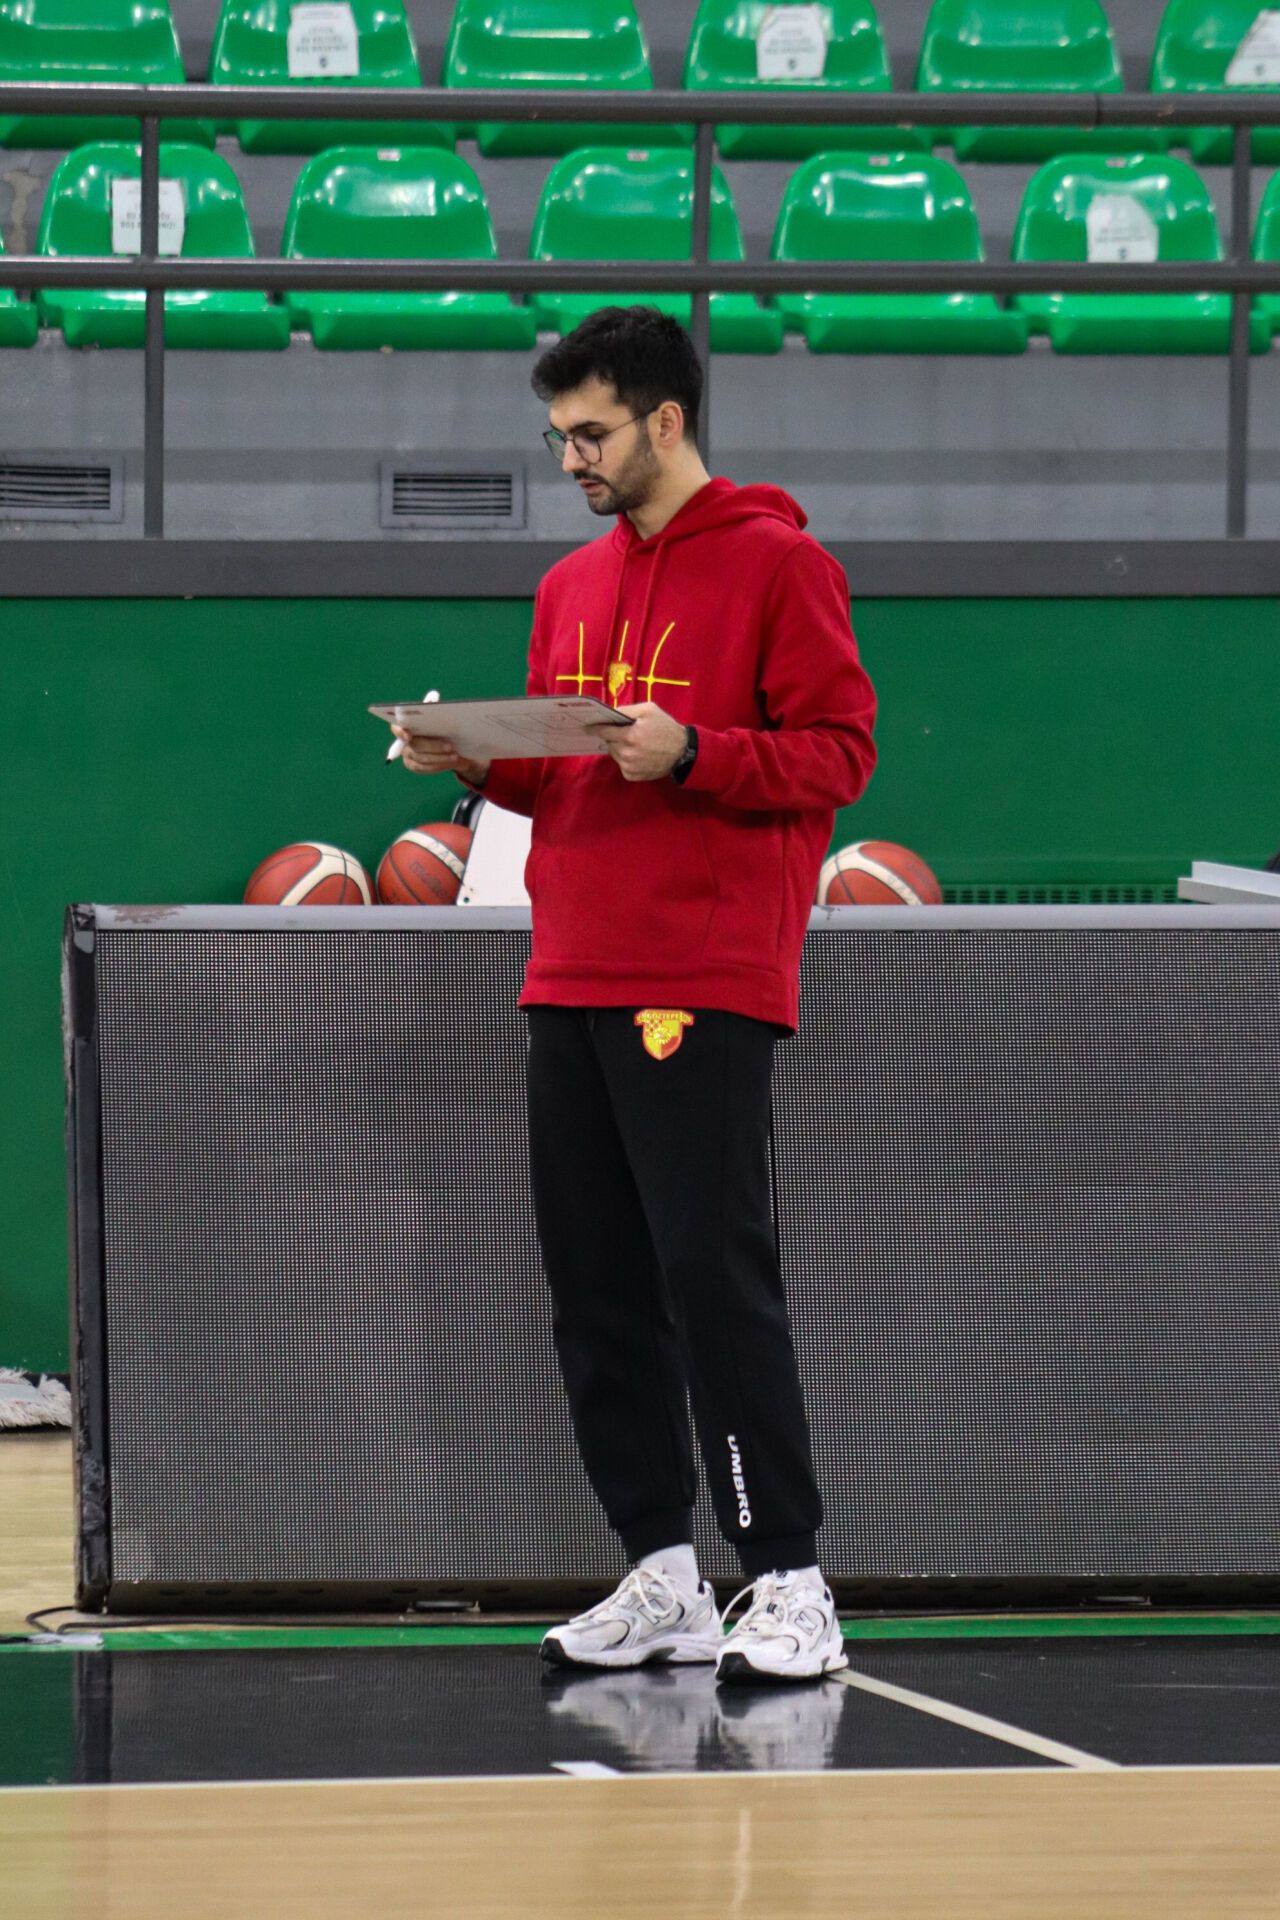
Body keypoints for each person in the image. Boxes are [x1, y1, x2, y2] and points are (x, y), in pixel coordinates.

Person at [393, 306, 877, 1684]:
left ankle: (790, 1579)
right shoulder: (569, 585)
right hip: (570, 964)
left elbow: (840, 754)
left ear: (667, 419)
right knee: (596, 1284)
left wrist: (700, 754)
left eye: (592, 434)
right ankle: (663, 1574)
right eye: (559, 438)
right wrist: (471, 757)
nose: (573, 460)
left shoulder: (783, 565)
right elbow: (565, 776)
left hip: (701, 972)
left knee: (711, 1276)